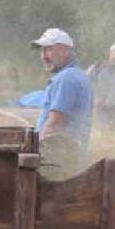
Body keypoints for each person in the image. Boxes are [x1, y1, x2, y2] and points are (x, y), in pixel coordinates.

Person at [30, 28, 94, 180]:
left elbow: (55, 123)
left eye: (49, 49)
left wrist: (33, 151)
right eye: (42, 50)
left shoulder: (66, 79)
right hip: (71, 157)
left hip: (57, 160)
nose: (44, 56)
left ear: (66, 51)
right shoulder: (79, 75)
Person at [87, 42, 115, 136]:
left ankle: (108, 147)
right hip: (101, 103)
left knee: (113, 128)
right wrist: (96, 96)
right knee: (104, 128)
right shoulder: (99, 67)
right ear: (111, 53)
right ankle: (103, 145)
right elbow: (88, 81)